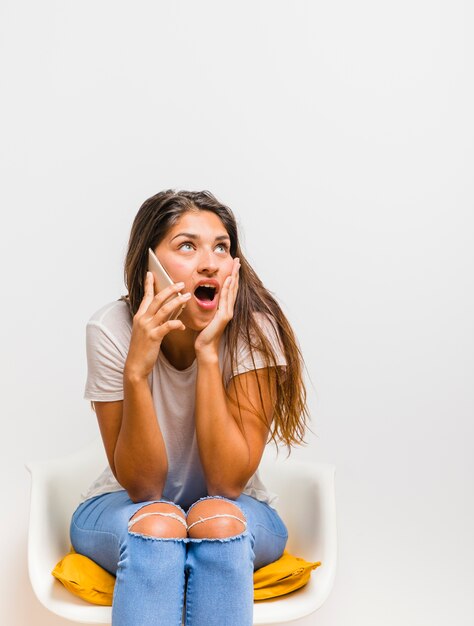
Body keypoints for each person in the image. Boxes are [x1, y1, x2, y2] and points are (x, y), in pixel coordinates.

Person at [70, 189, 309, 626]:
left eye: (222, 247)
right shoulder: (111, 329)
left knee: (214, 519)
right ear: (150, 265)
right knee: (160, 522)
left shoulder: (254, 330)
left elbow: (225, 482)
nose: (210, 262)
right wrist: (137, 371)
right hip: (124, 507)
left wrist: (209, 353)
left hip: (237, 511)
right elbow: (143, 488)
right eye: (187, 246)